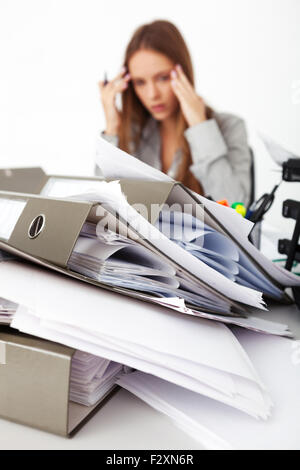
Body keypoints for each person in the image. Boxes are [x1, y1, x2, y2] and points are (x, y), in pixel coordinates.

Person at [96, 20, 252, 206]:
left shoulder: (230, 127)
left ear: (183, 73)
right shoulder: (134, 132)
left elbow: (236, 205)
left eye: (163, 78)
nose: (152, 94)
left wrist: (199, 126)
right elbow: (101, 206)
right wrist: (112, 129)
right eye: (140, 82)